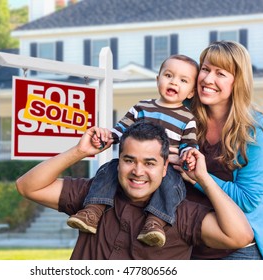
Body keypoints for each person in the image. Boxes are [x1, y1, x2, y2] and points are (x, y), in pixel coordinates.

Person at [16, 121, 254, 260]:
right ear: (118, 162)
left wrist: (203, 178)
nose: (138, 171)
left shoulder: (181, 214)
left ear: (164, 169)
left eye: (149, 163)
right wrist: (79, 152)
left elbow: (240, 236)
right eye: (129, 160)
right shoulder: (93, 196)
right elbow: (27, 186)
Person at [66, 54, 199, 247]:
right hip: (135, 161)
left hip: (165, 166)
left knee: (172, 183)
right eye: (168, 75)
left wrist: (189, 157)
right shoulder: (142, 107)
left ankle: (155, 223)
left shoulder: (188, 118)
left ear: (191, 92)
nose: (174, 82)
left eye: (183, 80)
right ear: (158, 79)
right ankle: (93, 210)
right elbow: (121, 129)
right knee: (109, 169)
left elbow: (189, 145)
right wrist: (106, 137)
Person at [176, 41, 263, 260]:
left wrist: (199, 178)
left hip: (237, 246)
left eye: (221, 73)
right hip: (185, 239)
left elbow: (248, 199)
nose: (208, 79)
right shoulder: (181, 114)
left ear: (237, 82)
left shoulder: (252, 128)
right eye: (205, 69)